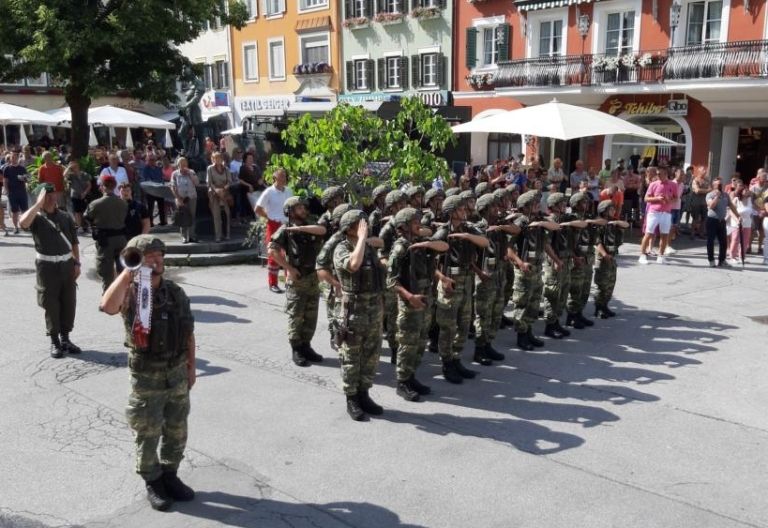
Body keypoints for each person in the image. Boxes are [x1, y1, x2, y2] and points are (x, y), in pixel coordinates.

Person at [99, 235, 196, 511]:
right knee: (148, 431)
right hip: (147, 377)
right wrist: (128, 274)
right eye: (149, 256)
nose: (156, 261)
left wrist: (192, 367)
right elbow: (108, 306)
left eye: (159, 256)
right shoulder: (131, 293)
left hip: (176, 372)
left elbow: (189, 333)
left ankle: (170, 474)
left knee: (177, 429)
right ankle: (152, 481)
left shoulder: (175, 293)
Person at [387, 207, 448, 401]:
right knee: (408, 343)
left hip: (425, 297)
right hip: (410, 301)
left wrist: (424, 245)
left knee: (421, 341)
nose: (418, 225)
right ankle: (402, 382)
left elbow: (443, 246)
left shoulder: (418, 242)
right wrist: (408, 296)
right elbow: (391, 281)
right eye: (414, 223)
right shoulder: (400, 247)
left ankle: (411, 376)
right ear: (404, 227)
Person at [333, 210, 386, 421]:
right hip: (353, 312)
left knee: (371, 355)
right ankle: (351, 398)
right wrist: (362, 239)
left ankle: (364, 393)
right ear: (349, 229)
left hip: (373, 309)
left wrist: (365, 240)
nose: (364, 226)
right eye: (359, 224)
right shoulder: (341, 249)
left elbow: (381, 242)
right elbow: (354, 265)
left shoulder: (368, 247)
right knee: (352, 357)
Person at [19, 184, 82, 358]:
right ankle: (54, 341)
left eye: (53, 193)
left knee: (69, 302)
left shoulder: (65, 217)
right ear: (41, 198)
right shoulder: (37, 218)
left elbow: (74, 242)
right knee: (51, 304)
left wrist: (77, 263)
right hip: (47, 267)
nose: (52, 197)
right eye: (47, 195)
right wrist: (37, 205)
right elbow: (22, 222)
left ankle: (66, 339)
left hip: (67, 265)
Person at [432, 195, 489, 383]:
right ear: (451, 212)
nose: (465, 211)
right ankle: (446, 363)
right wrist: (443, 278)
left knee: (464, 324)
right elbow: (429, 263)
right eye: (460, 209)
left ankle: (456, 359)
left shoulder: (468, 229)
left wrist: (466, 236)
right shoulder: (442, 233)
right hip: (450, 284)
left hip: (465, 283)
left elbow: (485, 243)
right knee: (448, 327)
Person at [268, 197, 326, 367]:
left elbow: (322, 230)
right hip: (298, 279)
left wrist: (301, 228)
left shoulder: (309, 225)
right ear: (290, 211)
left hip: (313, 277)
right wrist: (289, 269)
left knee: (311, 316)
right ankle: (296, 349)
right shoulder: (285, 229)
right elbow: (272, 250)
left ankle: (306, 346)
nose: (303, 210)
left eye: (303, 207)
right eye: (299, 208)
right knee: (296, 316)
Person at [510, 190, 561, 350]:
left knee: (534, 302)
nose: (537, 205)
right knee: (522, 302)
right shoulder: (520, 222)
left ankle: (529, 331)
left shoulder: (539, 222)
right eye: (534, 203)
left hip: (537, 268)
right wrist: (520, 263)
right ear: (525, 207)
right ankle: (521, 335)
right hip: (524, 269)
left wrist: (556, 259)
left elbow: (550, 236)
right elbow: (508, 248)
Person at [472, 194, 517, 363]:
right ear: (484, 209)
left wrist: (500, 227)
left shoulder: (499, 226)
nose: (497, 209)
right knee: (483, 314)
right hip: (485, 276)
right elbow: (470, 257)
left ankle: (488, 344)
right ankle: (479, 348)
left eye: (497, 206)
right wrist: (479, 273)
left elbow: (516, 230)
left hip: (498, 274)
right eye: (493, 207)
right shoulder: (476, 228)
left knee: (496, 312)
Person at [542, 193, 586, 339]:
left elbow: (582, 224)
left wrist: (574, 257)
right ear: (553, 205)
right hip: (555, 262)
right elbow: (546, 244)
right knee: (552, 294)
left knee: (563, 293)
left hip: (566, 261)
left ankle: (556, 322)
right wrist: (555, 260)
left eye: (564, 203)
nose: (563, 206)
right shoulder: (549, 221)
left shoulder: (565, 219)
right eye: (561, 203)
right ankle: (549, 325)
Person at [378, 190, 409, 361]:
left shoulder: (408, 224)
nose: (402, 207)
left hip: (408, 276)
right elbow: (381, 256)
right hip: (392, 278)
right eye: (398, 205)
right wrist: (392, 268)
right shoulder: (387, 230)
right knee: (393, 315)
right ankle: (394, 349)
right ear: (391, 208)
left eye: (404, 203)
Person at [565, 192, 601, 329]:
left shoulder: (588, 218)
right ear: (575, 204)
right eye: (583, 203)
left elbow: (600, 223)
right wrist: (574, 256)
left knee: (585, 288)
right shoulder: (571, 219)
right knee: (575, 288)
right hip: (577, 258)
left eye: (586, 203)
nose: (586, 205)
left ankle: (579, 313)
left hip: (587, 257)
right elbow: (568, 242)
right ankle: (571, 316)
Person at [86, 176, 128, 290]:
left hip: (106, 241)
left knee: (107, 273)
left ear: (102, 187)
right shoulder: (123, 203)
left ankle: (108, 298)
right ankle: (123, 297)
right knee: (123, 270)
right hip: (121, 239)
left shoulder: (96, 204)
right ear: (114, 186)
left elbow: (87, 216)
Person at [256, 168, 293, 293]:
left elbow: (292, 207)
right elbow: (258, 208)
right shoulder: (269, 192)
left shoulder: (288, 191)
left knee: (289, 253)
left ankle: (289, 281)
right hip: (274, 224)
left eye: (284, 176)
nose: (284, 178)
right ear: (275, 178)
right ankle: (273, 283)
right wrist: (268, 217)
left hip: (287, 224)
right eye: (281, 176)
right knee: (274, 254)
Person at [594, 200, 629, 318]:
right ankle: (599, 308)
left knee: (610, 283)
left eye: (614, 209)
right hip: (603, 258)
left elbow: (626, 225)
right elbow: (597, 241)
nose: (613, 211)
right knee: (602, 284)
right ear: (604, 210)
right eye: (611, 209)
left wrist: (614, 222)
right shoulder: (599, 223)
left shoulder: (613, 223)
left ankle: (605, 306)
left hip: (612, 257)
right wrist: (604, 254)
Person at [638, 167, 677, 265]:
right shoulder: (653, 184)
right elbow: (646, 198)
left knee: (664, 235)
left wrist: (669, 200)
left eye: (660, 174)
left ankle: (661, 256)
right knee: (648, 233)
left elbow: (676, 198)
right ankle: (642, 255)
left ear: (666, 174)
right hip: (654, 212)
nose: (658, 175)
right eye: (658, 174)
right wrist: (657, 198)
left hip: (666, 213)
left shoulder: (673, 184)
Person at [705, 178, 738, 267]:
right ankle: (711, 260)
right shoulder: (709, 195)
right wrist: (717, 197)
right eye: (718, 185)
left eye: (721, 184)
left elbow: (731, 206)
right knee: (710, 241)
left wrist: (738, 216)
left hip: (721, 221)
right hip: (712, 220)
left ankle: (722, 260)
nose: (720, 186)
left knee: (723, 242)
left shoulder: (726, 195)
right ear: (713, 185)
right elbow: (711, 206)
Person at [170, 157, 200, 244]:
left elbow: (197, 183)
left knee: (192, 217)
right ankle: (184, 237)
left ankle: (191, 236)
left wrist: (190, 174)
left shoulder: (192, 172)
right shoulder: (175, 174)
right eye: (181, 164)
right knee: (182, 217)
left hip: (191, 197)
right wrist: (178, 198)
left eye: (185, 164)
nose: (183, 166)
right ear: (178, 165)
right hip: (181, 199)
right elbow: (172, 186)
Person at [726, 179, 754, 265]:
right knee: (735, 239)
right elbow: (730, 211)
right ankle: (732, 257)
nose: (747, 191)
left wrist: (751, 221)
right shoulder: (736, 200)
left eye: (747, 190)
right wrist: (737, 219)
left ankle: (742, 257)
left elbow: (751, 212)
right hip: (736, 223)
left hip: (747, 223)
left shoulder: (749, 200)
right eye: (745, 190)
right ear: (741, 192)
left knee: (745, 241)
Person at [2, 151, 30, 233]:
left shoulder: (22, 168)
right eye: (12, 157)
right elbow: (5, 181)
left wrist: (24, 178)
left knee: (24, 210)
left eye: (15, 157)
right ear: (10, 158)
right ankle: (15, 227)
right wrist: (7, 191)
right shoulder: (7, 168)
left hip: (22, 192)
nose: (14, 159)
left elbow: (27, 179)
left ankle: (25, 225)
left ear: (18, 158)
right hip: (12, 193)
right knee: (14, 211)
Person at [206, 152, 232, 242]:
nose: (218, 160)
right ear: (213, 159)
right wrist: (216, 190)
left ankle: (227, 234)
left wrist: (224, 188)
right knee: (216, 215)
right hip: (214, 192)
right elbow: (209, 182)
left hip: (224, 192)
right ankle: (218, 236)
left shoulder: (226, 169)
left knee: (227, 214)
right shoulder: (210, 169)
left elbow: (229, 181)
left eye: (219, 158)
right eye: (215, 158)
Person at [64, 159, 92, 233]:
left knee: (86, 211)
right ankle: (80, 227)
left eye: (75, 164)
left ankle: (88, 226)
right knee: (77, 212)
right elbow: (64, 176)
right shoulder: (71, 175)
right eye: (73, 165)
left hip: (84, 195)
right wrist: (68, 167)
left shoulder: (84, 174)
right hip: (75, 195)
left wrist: (85, 193)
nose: (74, 166)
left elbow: (89, 185)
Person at [141, 153, 167, 227]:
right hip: (150, 191)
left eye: (153, 160)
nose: (152, 161)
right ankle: (151, 223)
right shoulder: (145, 169)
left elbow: (161, 178)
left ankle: (163, 221)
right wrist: (156, 182)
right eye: (150, 160)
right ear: (147, 160)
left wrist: (160, 183)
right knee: (150, 208)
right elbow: (147, 179)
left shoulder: (158, 168)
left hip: (159, 190)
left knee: (161, 206)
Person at [690, 167, 711, 239]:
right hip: (696, 202)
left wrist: (704, 190)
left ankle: (701, 233)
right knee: (695, 218)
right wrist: (707, 190)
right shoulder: (695, 180)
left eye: (705, 170)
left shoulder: (706, 180)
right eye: (703, 170)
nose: (705, 171)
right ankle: (692, 233)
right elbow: (697, 191)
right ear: (699, 171)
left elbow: (710, 189)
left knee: (704, 219)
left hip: (705, 203)